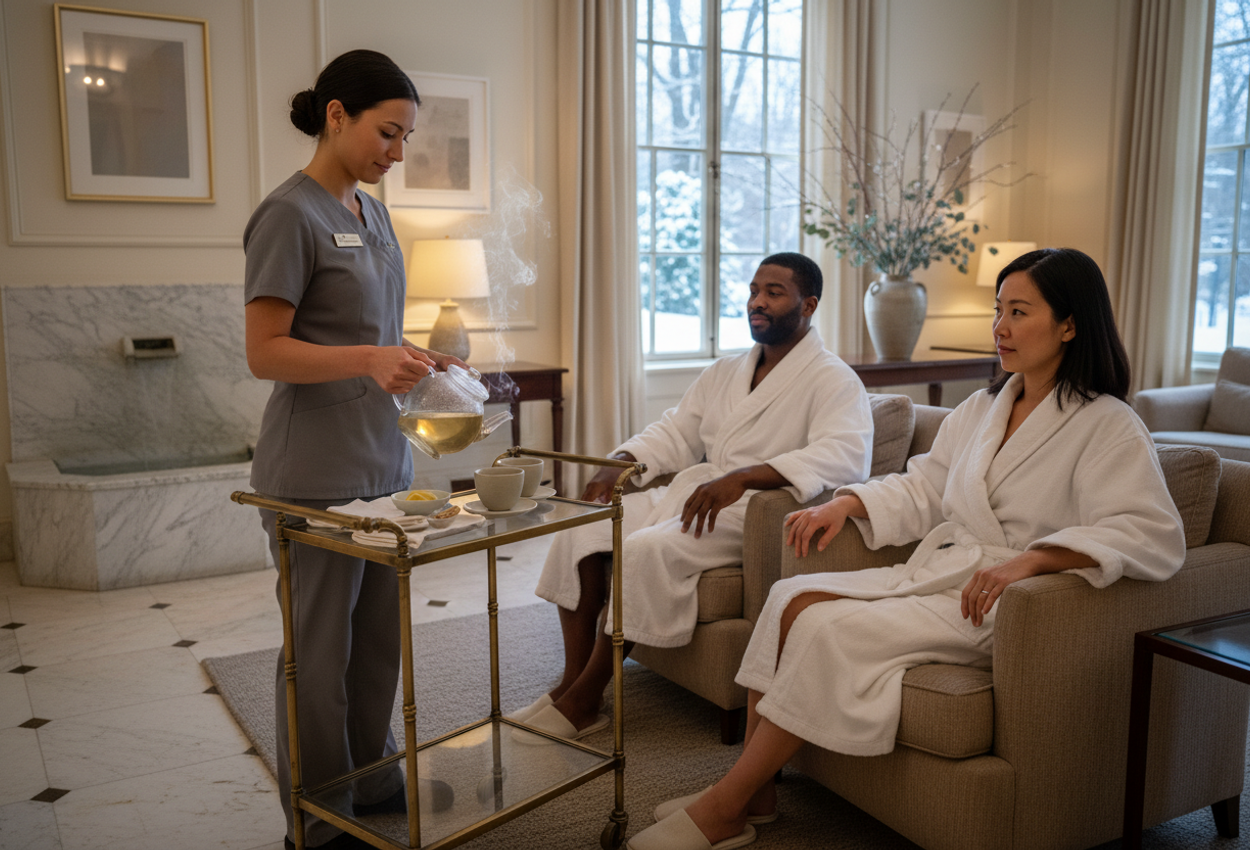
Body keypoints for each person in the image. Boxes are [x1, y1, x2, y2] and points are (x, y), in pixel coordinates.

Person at [627, 247, 1187, 850]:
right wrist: (848, 503)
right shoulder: (983, 407)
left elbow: (1149, 531)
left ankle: (727, 806)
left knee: (827, 628)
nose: (1000, 327)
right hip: (949, 569)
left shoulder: (1107, 423)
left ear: (1071, 323)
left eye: (1019, 312)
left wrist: (1037, 558)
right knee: (787, 596)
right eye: (998, 310)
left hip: (1007, 599)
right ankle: (759, 792)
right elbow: (925, 485)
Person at [243, 50, 462, 850]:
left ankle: (371, 778)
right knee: (316, 652)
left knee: (376, 640)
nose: (395, 154)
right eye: (387, 132)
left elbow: (368, 336)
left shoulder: (374, 214)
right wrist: (369, 360)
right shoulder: (287, 215)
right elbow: (266, 351)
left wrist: (410, 356)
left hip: (383, 465)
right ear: (337, 115)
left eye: (404, 138)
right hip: (314, 472)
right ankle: (319, 813)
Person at [517, 253, 875, 740]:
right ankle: (572, 687)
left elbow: (844, 456)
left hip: (757, 512)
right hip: (700, 492)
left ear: (808, 305)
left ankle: (587, 696)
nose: (757, 302)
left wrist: (745, 477)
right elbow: (676, 432)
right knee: (583, 527)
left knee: (645, 549)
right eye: (753, 291)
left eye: (774, 293)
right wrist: (619, 461)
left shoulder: (833, 379)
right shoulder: (726, 371)